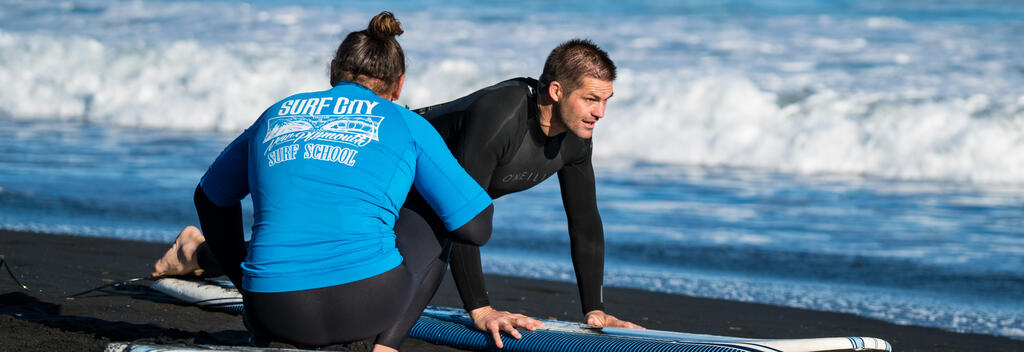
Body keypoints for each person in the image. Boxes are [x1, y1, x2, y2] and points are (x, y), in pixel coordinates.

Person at [154, 38, 642, 349]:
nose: (600, 112)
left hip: (404, 208)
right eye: (591, 99)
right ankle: (384, 344)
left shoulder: (577, 139)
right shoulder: (498, 115)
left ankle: (198, 251)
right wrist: (480, 308)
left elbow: (585, 222)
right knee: (426, 223)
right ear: (556, 91)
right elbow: (464, 222)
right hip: (407, 187)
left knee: (318, 234)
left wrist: (593, 310)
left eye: (606, 101)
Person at [184, 12, 494, 352]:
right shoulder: (408, 123)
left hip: (272, 310)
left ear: (333, 71)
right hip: (368, 305)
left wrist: (245, 282)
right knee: (442, 208)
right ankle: (387, 346)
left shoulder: (277, 113)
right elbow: (475, 227)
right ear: (399, 84)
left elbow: (209, 198)